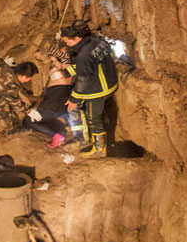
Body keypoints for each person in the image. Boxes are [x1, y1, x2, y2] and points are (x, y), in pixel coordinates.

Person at [62, 21, 118, 155]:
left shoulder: (83, 56)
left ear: (77, 38)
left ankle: (99, 149)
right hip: (109, 79)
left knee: (93, 119)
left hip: (98, 89)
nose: (66, 45)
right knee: (95, 114)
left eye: (68, 42)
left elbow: (83, 78)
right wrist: (69, 70)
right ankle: (100, 133)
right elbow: (91, 65)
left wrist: (74, 98)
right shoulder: (95, 40)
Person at [23, 49, 73, 148]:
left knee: (27, 121)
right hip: (60, 101)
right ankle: (61, 132)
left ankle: (56, 136)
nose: (62, 49)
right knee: (48, 118)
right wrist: (53, 60)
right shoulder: (67, 65)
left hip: (54, 100)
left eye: (64, 48)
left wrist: (43, 53)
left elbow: (53, 50)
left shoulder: (67, 60)